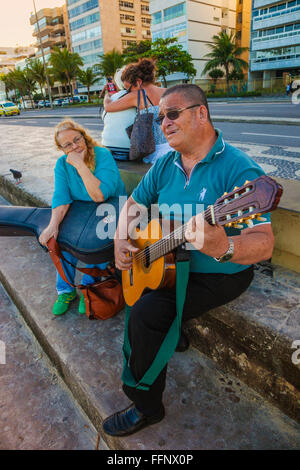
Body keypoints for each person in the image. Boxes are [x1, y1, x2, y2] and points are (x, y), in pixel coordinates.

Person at [102, 84, 275, 436]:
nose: (163, 122)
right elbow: (134, 204)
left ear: (201, 113)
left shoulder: (239, 169)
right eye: (160, 116)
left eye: (172, 113)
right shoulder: (165, 164)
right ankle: (173, 330)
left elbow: (263, 243)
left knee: (146, 314)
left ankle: (147, 407)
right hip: (168, 264)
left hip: (219, 273)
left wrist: (223, 247)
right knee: (133, 284)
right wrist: (121, 237)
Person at [39, 119, 126, 316]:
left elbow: (100, 195)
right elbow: (61, 197)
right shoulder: (62, 164)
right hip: (83, 207)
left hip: (111, 204)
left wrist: (80, 165)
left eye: (77, 140)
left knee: (96, 241)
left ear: (84, 137)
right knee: (61, 237)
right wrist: (53, 225)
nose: (74, 146)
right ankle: (66, 290)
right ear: (62, 149)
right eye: (67, 145)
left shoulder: (102, 155)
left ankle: (89, 287)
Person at [103, 58, 172, 164]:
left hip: (155, 151)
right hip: (173, 146)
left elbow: (108, 107)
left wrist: (107, 97)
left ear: (138, 82)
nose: (127, 92)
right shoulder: (168, 92)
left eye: (128, 89)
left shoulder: (137, 95)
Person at [101, 67, 136, 161]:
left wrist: (106, 96)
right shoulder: (136, 96)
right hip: (129, 148)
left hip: (107, 145)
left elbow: (104, 118)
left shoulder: (112, 98)